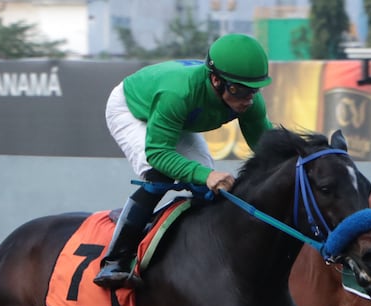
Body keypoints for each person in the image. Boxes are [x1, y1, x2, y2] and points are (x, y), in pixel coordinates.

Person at [95, 33, 274, 289]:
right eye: (239, 90)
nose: (248, 99)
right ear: (216, 80)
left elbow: (268, 150)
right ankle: (115, 260)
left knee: (207, 189)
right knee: (159, 175)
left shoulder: (250, 102)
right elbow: (158, 153)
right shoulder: (178, 93)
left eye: (254, 90)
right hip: (132, 109)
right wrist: (205, 175)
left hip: (175, 118)